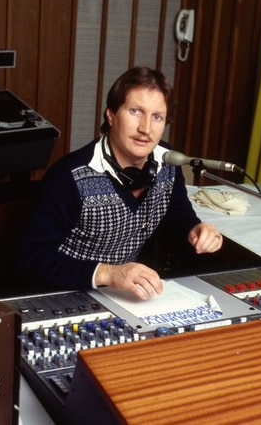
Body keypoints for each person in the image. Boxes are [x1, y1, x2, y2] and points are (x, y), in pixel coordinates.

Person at [16, 66, 223, 300]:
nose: (145, 128)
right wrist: (107, 273)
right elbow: (31, 257)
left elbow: (179, 216)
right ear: (111, 115)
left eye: (157, 117)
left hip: (123, 296)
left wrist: (196, 230)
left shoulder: (168, 162)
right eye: (135, 111)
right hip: (64, 295)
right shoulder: (68, 176)